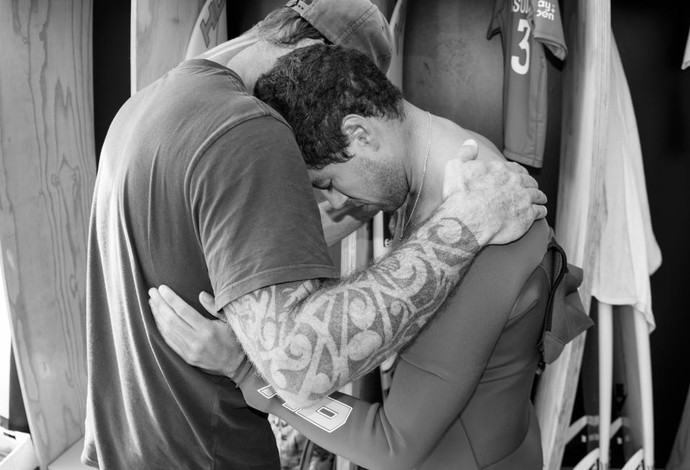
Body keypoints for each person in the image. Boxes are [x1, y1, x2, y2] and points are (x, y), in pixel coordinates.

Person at [84, 0, 547, 468]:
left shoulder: (141, 107)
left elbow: (393, 443)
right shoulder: (467, 202)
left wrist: (246, 369)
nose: (337, 202)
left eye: (326, 181)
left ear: (359, 125)